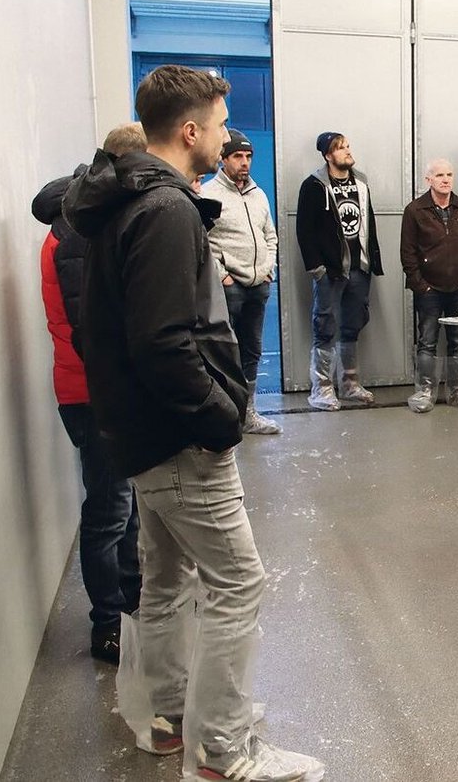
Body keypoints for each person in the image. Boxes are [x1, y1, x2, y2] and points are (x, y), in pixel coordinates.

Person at [63, 64, 322, 780]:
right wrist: (219, 418)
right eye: (215, 126)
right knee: (240, 582)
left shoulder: (125, 201)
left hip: (142, 437)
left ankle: (174, 717)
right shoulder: (168, 209)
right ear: (189, 130)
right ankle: (221, 750)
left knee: (168, 578)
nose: (222, 139)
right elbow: (164, 343)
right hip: (178, 441)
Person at [31, 122, 146, 665]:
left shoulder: (86, 220)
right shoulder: (76, 230)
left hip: (103, 389)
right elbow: (89, 328)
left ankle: (132, 602)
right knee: (108, 509)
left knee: (124, 507)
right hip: (91, 391)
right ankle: (107, 626)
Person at [295, 131, 384, 411]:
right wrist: (317, 269)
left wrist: (371, 262)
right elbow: (304, 232)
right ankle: (321, 388)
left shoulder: (361, 182)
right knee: (325, 326)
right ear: (327, 155)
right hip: (330, 272)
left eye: (347, 145)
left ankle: (349, 383)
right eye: (340, 147)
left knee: (352, 325)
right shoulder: (313, 186)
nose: (347, 151)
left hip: (359, 268)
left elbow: (367, 223)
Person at [199, 129, 281, 434]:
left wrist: (267, 267)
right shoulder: (209, 194)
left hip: (259, 285)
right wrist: (224, 275)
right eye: (237, 156)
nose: (244, 162)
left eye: (248, 156)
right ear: (223, 159)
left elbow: (269, 236)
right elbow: (203, 241)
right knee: (226, 351)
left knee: (253, 350)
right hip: (230, 288)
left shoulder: (258, 194)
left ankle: (249, 414)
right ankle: (227, 416)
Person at [401, 158, 458, 413]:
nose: (446, 180)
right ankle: (425, 391)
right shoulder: (415, 211)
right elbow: (408, 253)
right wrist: (420, 285)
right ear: (429, 180)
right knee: (427, 341)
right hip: (429, 290)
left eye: (449, 174)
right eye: (439, 176)